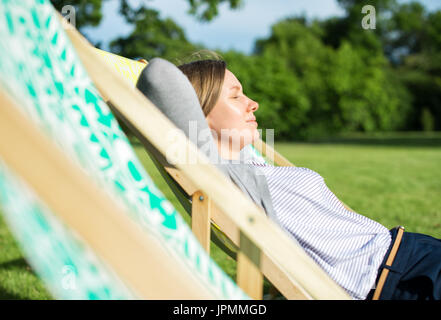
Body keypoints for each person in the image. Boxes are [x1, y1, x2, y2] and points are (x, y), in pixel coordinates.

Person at [177, 59, 441, 300]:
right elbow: (158, 79)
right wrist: (138, 74)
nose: (253, 103)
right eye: (235, 96)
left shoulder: (246, 158)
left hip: (409, 252)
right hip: (400, 280)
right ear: (198, 115)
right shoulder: (226, 174)